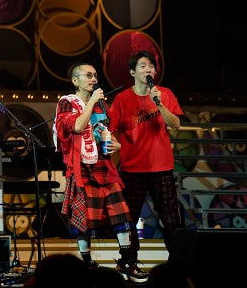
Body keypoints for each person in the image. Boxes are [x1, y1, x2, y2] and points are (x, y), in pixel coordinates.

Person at [52, 62, 148, 283]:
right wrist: (92, 102)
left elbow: (106, 131)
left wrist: (116, 144)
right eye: (88, 75)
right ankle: (86, 264)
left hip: (104, 165)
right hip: (82, 167)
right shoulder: (67, 102)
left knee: (121, 214)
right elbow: (77, 126)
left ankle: (127, 262)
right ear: (75, 81)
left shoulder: (101, 104)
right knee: (85, 218)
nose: (93, 79)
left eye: (95, 75)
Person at [109, 51, 183, 257]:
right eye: (143, 66)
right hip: (133, 169)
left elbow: (176, 124)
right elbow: (109, 128)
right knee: (129, 219)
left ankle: (178, 261)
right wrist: (114, 143)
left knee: (171, 218)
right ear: (133, 72)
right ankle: (130, 260)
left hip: (162, 168)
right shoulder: (122, 99)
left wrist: (159, 103)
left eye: (151, 66)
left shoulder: (164, 94)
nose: (148, 69)